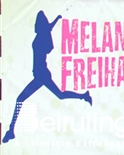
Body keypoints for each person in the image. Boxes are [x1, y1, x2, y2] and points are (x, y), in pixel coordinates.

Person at [3, 11, 93, 143]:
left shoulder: (42, 37)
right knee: (55, 95)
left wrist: (50, 27)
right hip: (40, 75)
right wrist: (55, 21)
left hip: (42, 75)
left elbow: (48, 35)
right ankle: (83, 96)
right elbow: (49, 27)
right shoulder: (43, 34)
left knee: (22, 99)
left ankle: (11, 130)